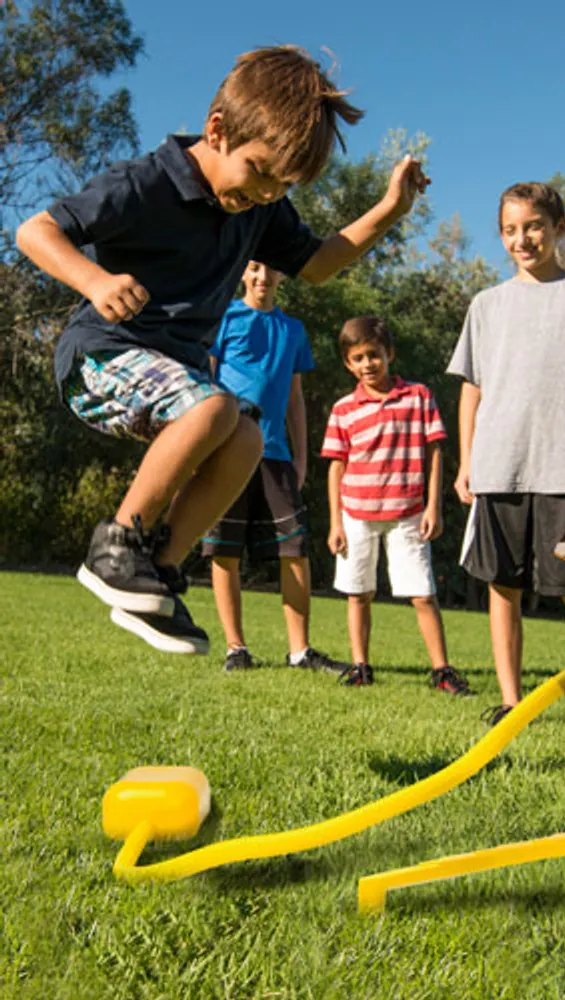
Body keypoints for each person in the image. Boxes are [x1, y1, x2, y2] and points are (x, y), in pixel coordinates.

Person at [15, 46, 428, 655]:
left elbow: (317, 265)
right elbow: (36, 231)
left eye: (281, 185)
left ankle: (158, 569)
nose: (266, 193)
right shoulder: (147, 181)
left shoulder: (261, 210)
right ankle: (115, 547)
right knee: (212, 409)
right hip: (97, 358)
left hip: (170, 378)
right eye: (260, 171)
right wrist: (95, 282)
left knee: (246, 437)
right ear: (218, 131)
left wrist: (391, 210)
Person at [447, 182, 565, 727]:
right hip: (499, 465)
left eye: (532, 226)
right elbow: (471, 388)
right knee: (504, 588)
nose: (522, 239)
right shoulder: (487, 305)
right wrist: (465, 462)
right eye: (509, 230)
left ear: (557, 226)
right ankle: (509, 700)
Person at [200, 260, 345, 673]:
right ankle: (235, 648)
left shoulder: (293, 331)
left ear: (283, 277)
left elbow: (295, 399)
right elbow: (206, 380)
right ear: (244, 272)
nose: (264, 276)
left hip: (276, 454)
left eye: (273, 270)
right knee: (225, 550)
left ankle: (300, 651)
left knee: (295, 549)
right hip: (226, 449)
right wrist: (201, 448)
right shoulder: (224, 317)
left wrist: (301, 456)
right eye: (255, 268)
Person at [322, 316, 470, 694]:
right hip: (356, 514)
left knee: (422, 594)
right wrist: (335, 523)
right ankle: (360, 666)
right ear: (348, 363)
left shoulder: (418, 397)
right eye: (358, 358)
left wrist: (432, 506)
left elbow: (434, 452)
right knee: (359, 593)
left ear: (389, 354)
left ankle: (441, 671)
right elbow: (337, 467)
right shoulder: (343, 409)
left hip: (408, 514)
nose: (368, 364)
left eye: (374, 355)